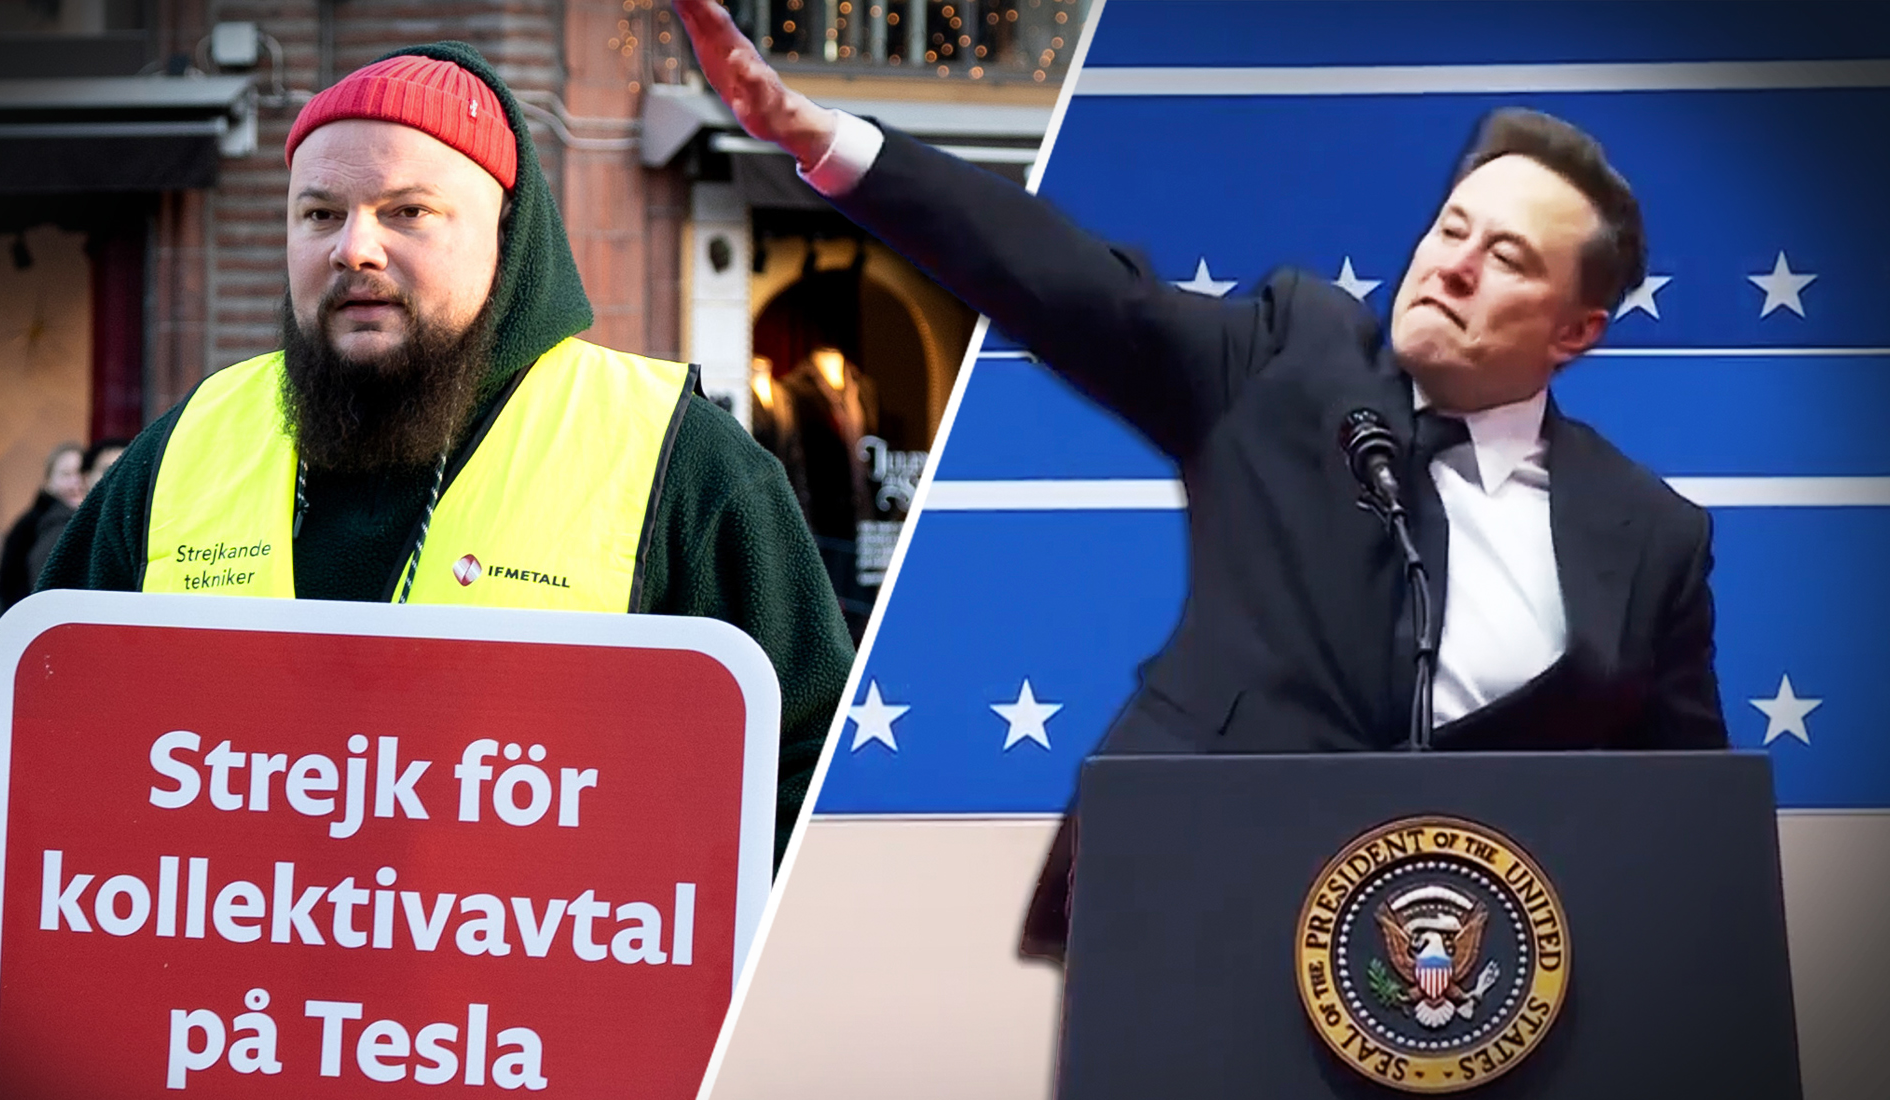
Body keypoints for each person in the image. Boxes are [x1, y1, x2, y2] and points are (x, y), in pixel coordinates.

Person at [0, 42, 852, 1100]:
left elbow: (810, 797)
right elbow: (38, 773)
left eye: (408, 212)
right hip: (210, 1071)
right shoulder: (187, 446)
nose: (355, 250)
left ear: (505, 231)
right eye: (320, 216)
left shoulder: (679, 462)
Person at [676, 1, 1726, 959]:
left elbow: (1683, 827)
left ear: (1576, 330)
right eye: (1450, 227)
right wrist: (821, 141)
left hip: (1461, 975)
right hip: (1194, 900)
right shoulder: (1290, 356)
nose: (1451, 264)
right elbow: (1075, 284)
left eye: (1505, 258)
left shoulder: (1648, 535)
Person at [0, 442, 85, 610]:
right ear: (48, 481)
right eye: (65, 475)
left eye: (81, 473)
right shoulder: (46, 524)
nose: (75, 483)